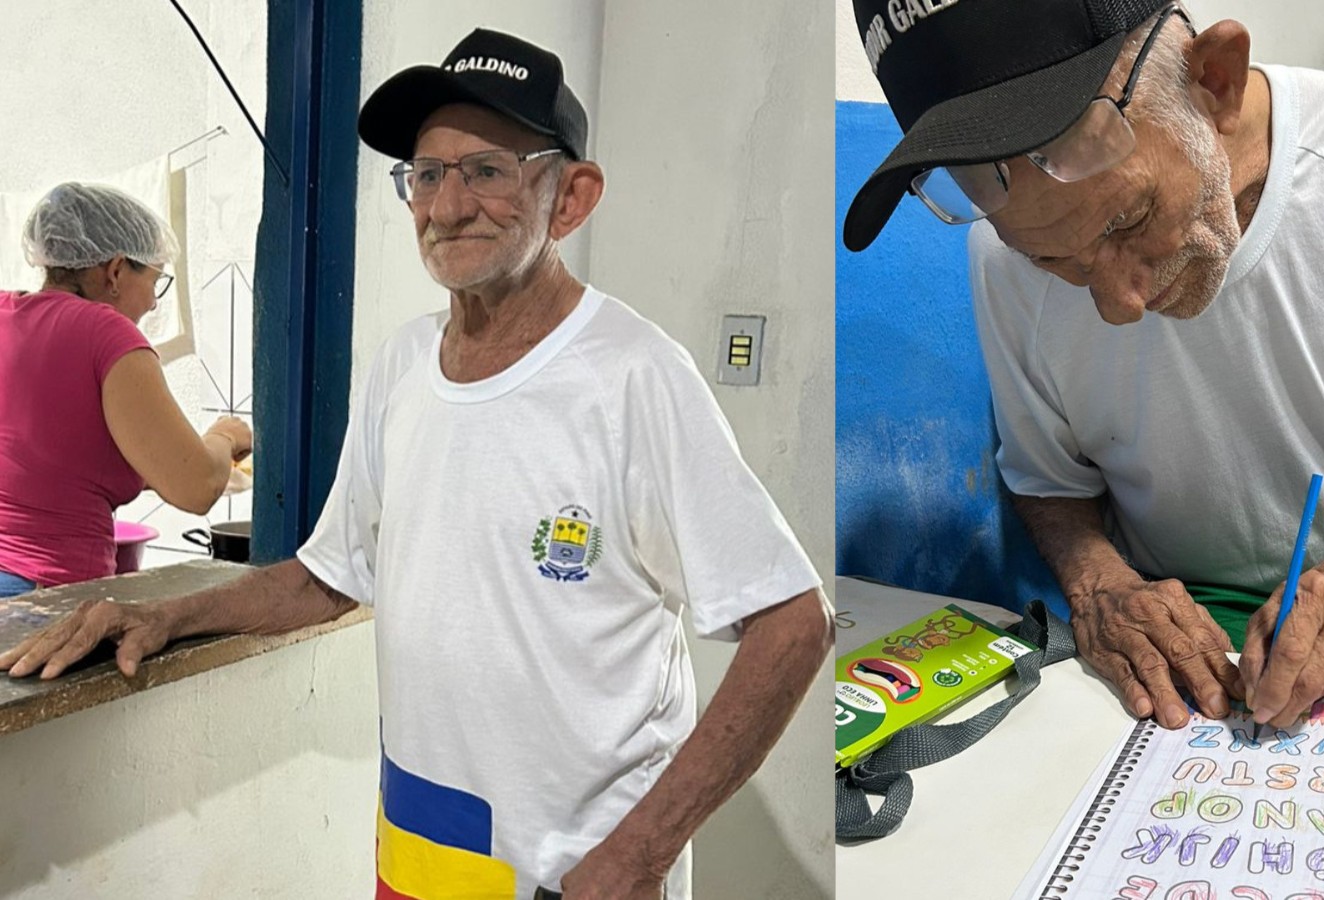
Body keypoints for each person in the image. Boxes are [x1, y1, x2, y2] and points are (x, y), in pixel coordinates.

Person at [0, 29, 831, 900]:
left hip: (577, 873)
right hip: (422, 847)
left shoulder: (633, 377)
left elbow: (792, 623)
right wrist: (173, 618)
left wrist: (641, 853)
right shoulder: (403, 365)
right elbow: (328, 575)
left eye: (487, 171)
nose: (447, 204)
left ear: (571, 197)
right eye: (426, 175)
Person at [842, 1, 1324, 897]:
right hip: (1189, 607)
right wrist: (1103, 587)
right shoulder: (999, 259)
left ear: (1216, 82)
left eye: (1127, 222)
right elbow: (1049, 484)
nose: (1117, 305)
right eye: (1058, 264)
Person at [0, 183, 253, 598]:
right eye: (156, 281)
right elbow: (198, 486)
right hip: (48, 596)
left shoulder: (6, 316)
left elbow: (52, 459)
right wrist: (225, 438)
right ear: (116, 271)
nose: (154, 304)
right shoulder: (106, 333)